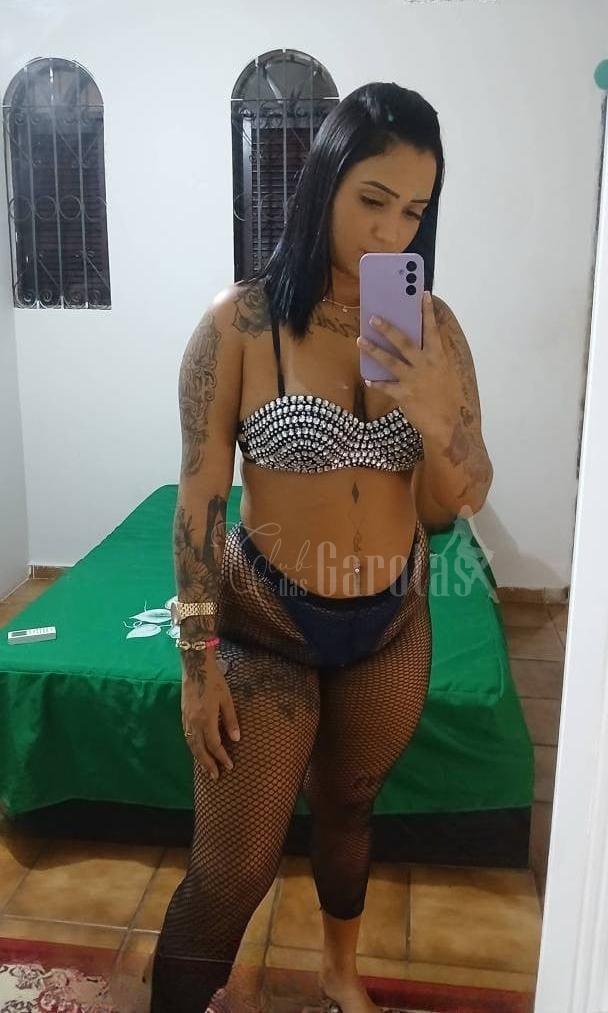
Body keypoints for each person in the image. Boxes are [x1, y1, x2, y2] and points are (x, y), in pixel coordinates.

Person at [149, 81, 493, 1013]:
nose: (392, 231)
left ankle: (339, 972)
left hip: (389, 624)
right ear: (323, 183)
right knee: (232, 868)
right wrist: (196, 661)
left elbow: (451, 506)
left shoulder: (432, 330)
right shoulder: (239, 325)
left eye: (414, 210)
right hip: (266, 622)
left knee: (349, 806)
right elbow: (198, 500)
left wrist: (437, 414)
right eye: (372, 199)